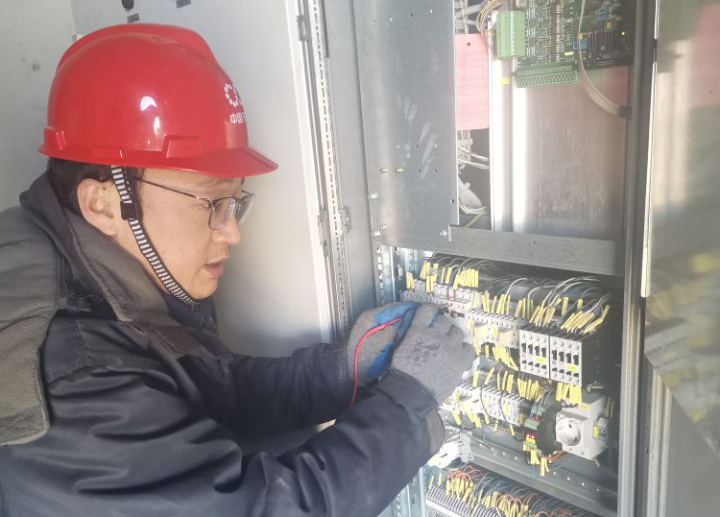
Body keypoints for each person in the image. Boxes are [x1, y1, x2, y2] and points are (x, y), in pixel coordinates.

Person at [0, 24, 473, 517]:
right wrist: (405, 405)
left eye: (235, 203)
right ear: (103, 203)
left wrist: (337, 372)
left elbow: (200, 387)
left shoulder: (73, 264)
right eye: (212, 203)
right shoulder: (76, 377)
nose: (232, 233)